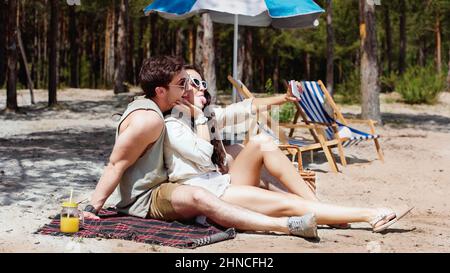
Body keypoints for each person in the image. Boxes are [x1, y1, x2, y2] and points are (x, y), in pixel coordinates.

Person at [82, 55, 318, 239]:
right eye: (184, 83)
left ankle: (305, 203)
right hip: (163, 193)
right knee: (227, 167)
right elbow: (116, 163)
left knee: (237, 149)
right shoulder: (154, 119)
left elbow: (245, 108)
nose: (192, 88)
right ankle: (296, 214)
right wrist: (94, 206)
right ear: (161, 90)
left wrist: (282, 99)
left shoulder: (190, 113)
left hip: (191, 183)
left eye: (195, 83)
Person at [162, 65, 413, 233]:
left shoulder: (205, 116)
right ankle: (370, 215)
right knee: (288, 204)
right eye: (193, 83)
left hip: (221, 184)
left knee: (261, 142)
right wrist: (202, 118)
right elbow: (204, 157)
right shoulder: (173, 124)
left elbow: (246, 107)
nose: (202, 86)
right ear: (180, 91)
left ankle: (321, 207)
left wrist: (284, 98)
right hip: (210, 196)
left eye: (201, 81)